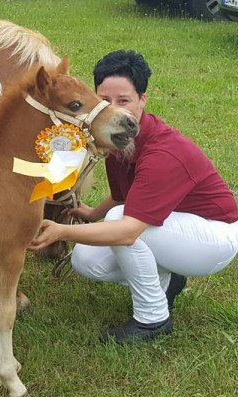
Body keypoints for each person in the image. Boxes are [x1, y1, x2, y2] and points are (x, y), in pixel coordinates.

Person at [28, 50, 238, 343]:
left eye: (124, 100)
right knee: (86, 260)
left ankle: (153, 320)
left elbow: (127, 231)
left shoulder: (163, 153)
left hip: (215, 239)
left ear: (143, 100)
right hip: (174, 230)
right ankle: (168, 278)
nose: (113, 109)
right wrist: (90, 215)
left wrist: (60, 231)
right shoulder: (120, 139)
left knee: (121, 224)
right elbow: (120, 196)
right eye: (104, 101)